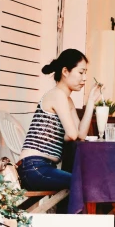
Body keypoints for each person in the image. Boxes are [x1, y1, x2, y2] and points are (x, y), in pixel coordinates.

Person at [18, 48, 101, 190]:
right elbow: (73, 134)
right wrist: (69, 135)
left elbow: (80, 135)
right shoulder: (57, 95)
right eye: (81, 72)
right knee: (84, 184)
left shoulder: (67, 100)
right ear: (65, 71)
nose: (85, 78)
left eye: (85, 73)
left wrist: (91, 102)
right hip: (34, 166)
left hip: (42, 167)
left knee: (83, 182)